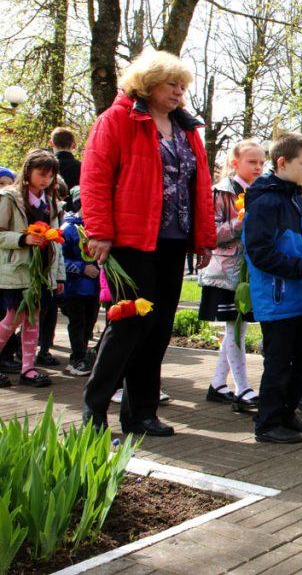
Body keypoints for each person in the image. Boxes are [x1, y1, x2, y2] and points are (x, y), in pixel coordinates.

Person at [80, 49, 217, 436]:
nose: (179, 92)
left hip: (173, 242)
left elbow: (200, 185)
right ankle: (95, 410)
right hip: (130, 240)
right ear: (148, 83)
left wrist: (203, 237)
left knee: (157, 329)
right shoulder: (118, 120)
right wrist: (100, 232)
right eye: (172, 84)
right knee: (129, 324)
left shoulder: (187, 127)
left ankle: (141, 413)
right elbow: (95, 179)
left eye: (183, 86)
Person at [243, 132, 302, 444]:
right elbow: (260, 252)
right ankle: (267, 422)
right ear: (282, 163)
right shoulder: (266, 201)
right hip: (278, 297)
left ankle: (287, 411)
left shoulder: (295, 198)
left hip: (300, 296)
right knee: (278, 362)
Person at [198, 139, 266, 414]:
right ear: (236, 163)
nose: (259, 167)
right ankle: (243, 387)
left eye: (262, 162)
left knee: (239, 327)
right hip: (226, 271)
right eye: (253, 162)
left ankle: (217, 385)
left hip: (250, 271)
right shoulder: (221, 192)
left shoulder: (260, 191)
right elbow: (211, 234)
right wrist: (241, 221)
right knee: (234, 327)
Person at [0, 149, 66, 388]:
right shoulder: (9, 197)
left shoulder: (51, 202)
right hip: (16, 270)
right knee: (14, 315)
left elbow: (56, 241)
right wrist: (22, 239)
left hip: (42, 271)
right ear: (28, 172)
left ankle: (28, 368)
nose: (46, 179)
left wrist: (59, 275)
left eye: (50, 175)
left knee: (34, 318)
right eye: (42, 174)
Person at [60, 187, 100, 377]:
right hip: (74, 287)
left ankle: (83, 355)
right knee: (77, 322)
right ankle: (77, 357)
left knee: (90, 321)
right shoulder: (68, 229)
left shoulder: (97, 227)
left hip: (94, 287)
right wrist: (82, 268)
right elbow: (60, 259)